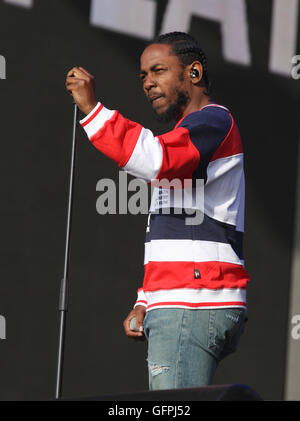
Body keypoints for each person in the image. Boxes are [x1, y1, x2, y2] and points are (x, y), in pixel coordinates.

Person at [65, 31, 250, 391]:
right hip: (185, 300)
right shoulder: (189, 136)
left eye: (159, 71)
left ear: (193, 73)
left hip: (193, 302)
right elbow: (171, 234)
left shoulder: (213, 122)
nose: (149, 83)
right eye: (144, 76)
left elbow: (155, 159)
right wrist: (146, 299)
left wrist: (93, 111)